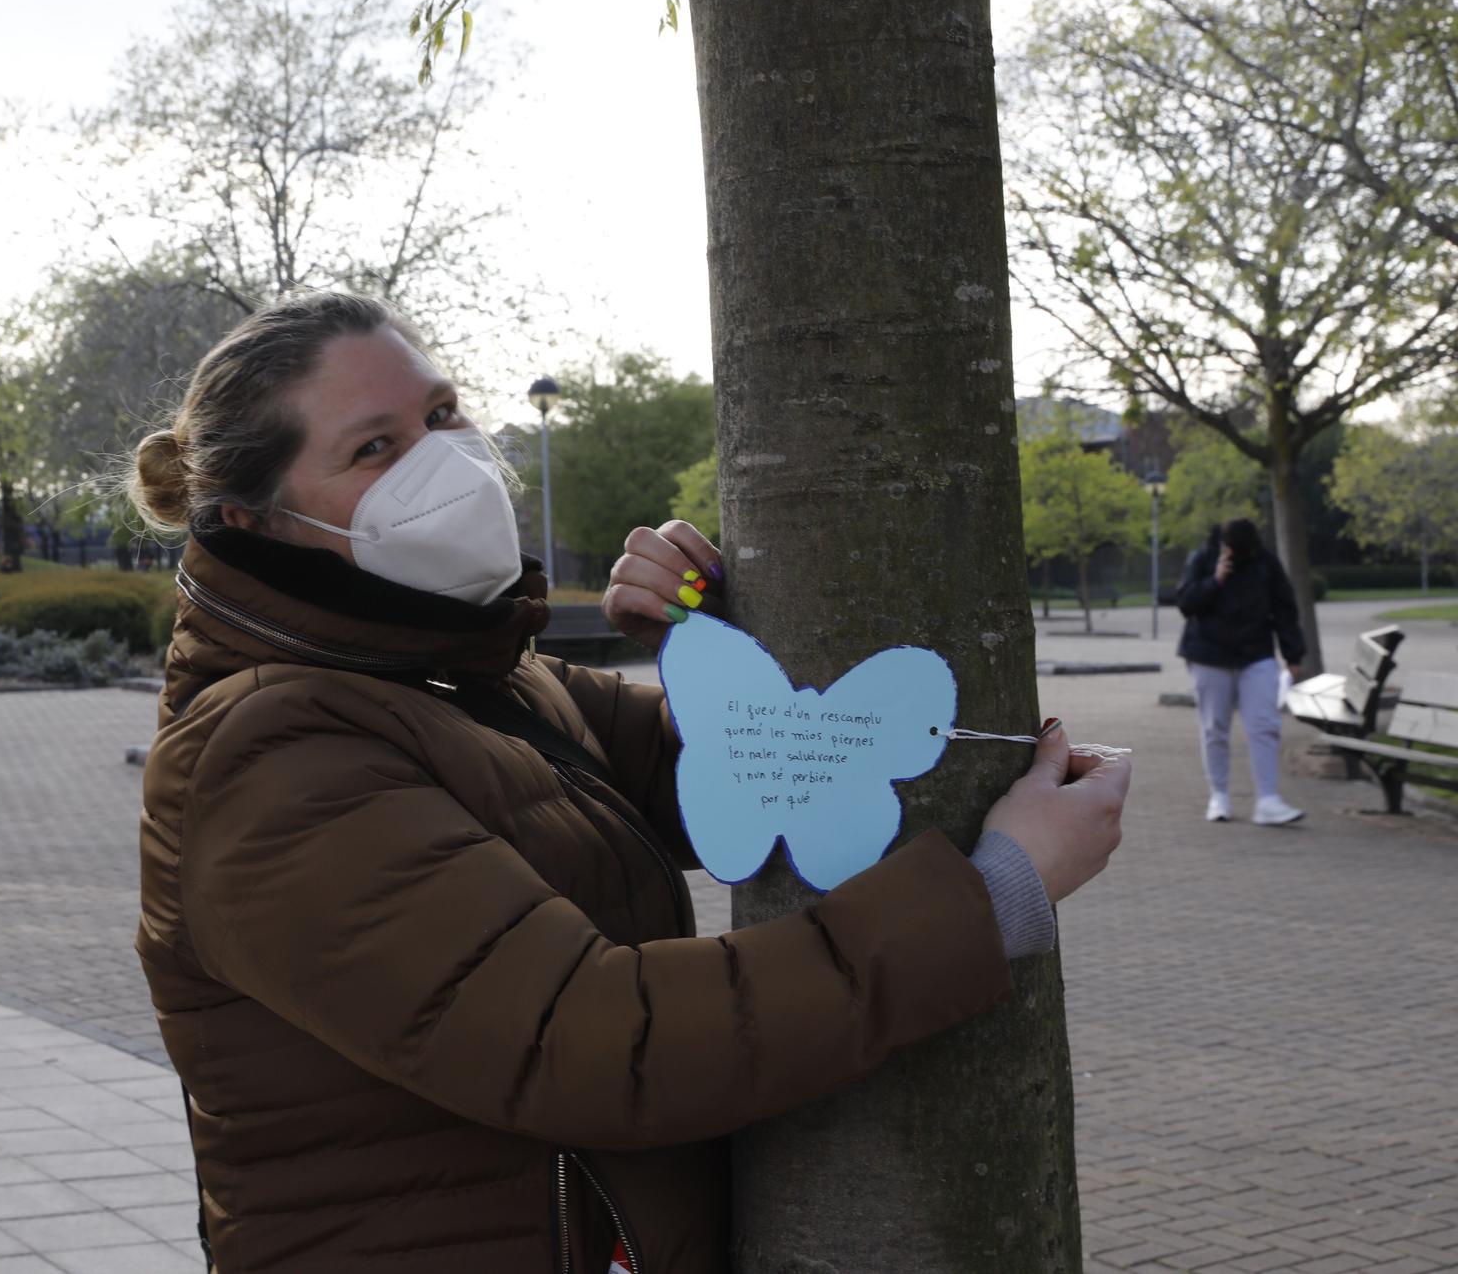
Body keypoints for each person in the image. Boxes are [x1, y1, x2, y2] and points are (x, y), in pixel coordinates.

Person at [125, 291, 1128, 1273]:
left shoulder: (468, 677)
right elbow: (595, 1042)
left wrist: (715, 643)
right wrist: (992, 894)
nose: (444, 460)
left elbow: (727, 770)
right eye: (373, 447)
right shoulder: (265, 757)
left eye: (441, 414)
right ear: (253, 523)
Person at [1175, 518, 1307, 826]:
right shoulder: (1204, 558)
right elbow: (1185, 603)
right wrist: (1215, 579)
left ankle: (1268, 800)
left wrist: (1293, 653)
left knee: (1264, 724)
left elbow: (1284, 607)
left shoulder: (1265, 563)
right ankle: (1219, 796)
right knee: (1214, 728)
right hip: (1208, 655)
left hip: (1255, 655)